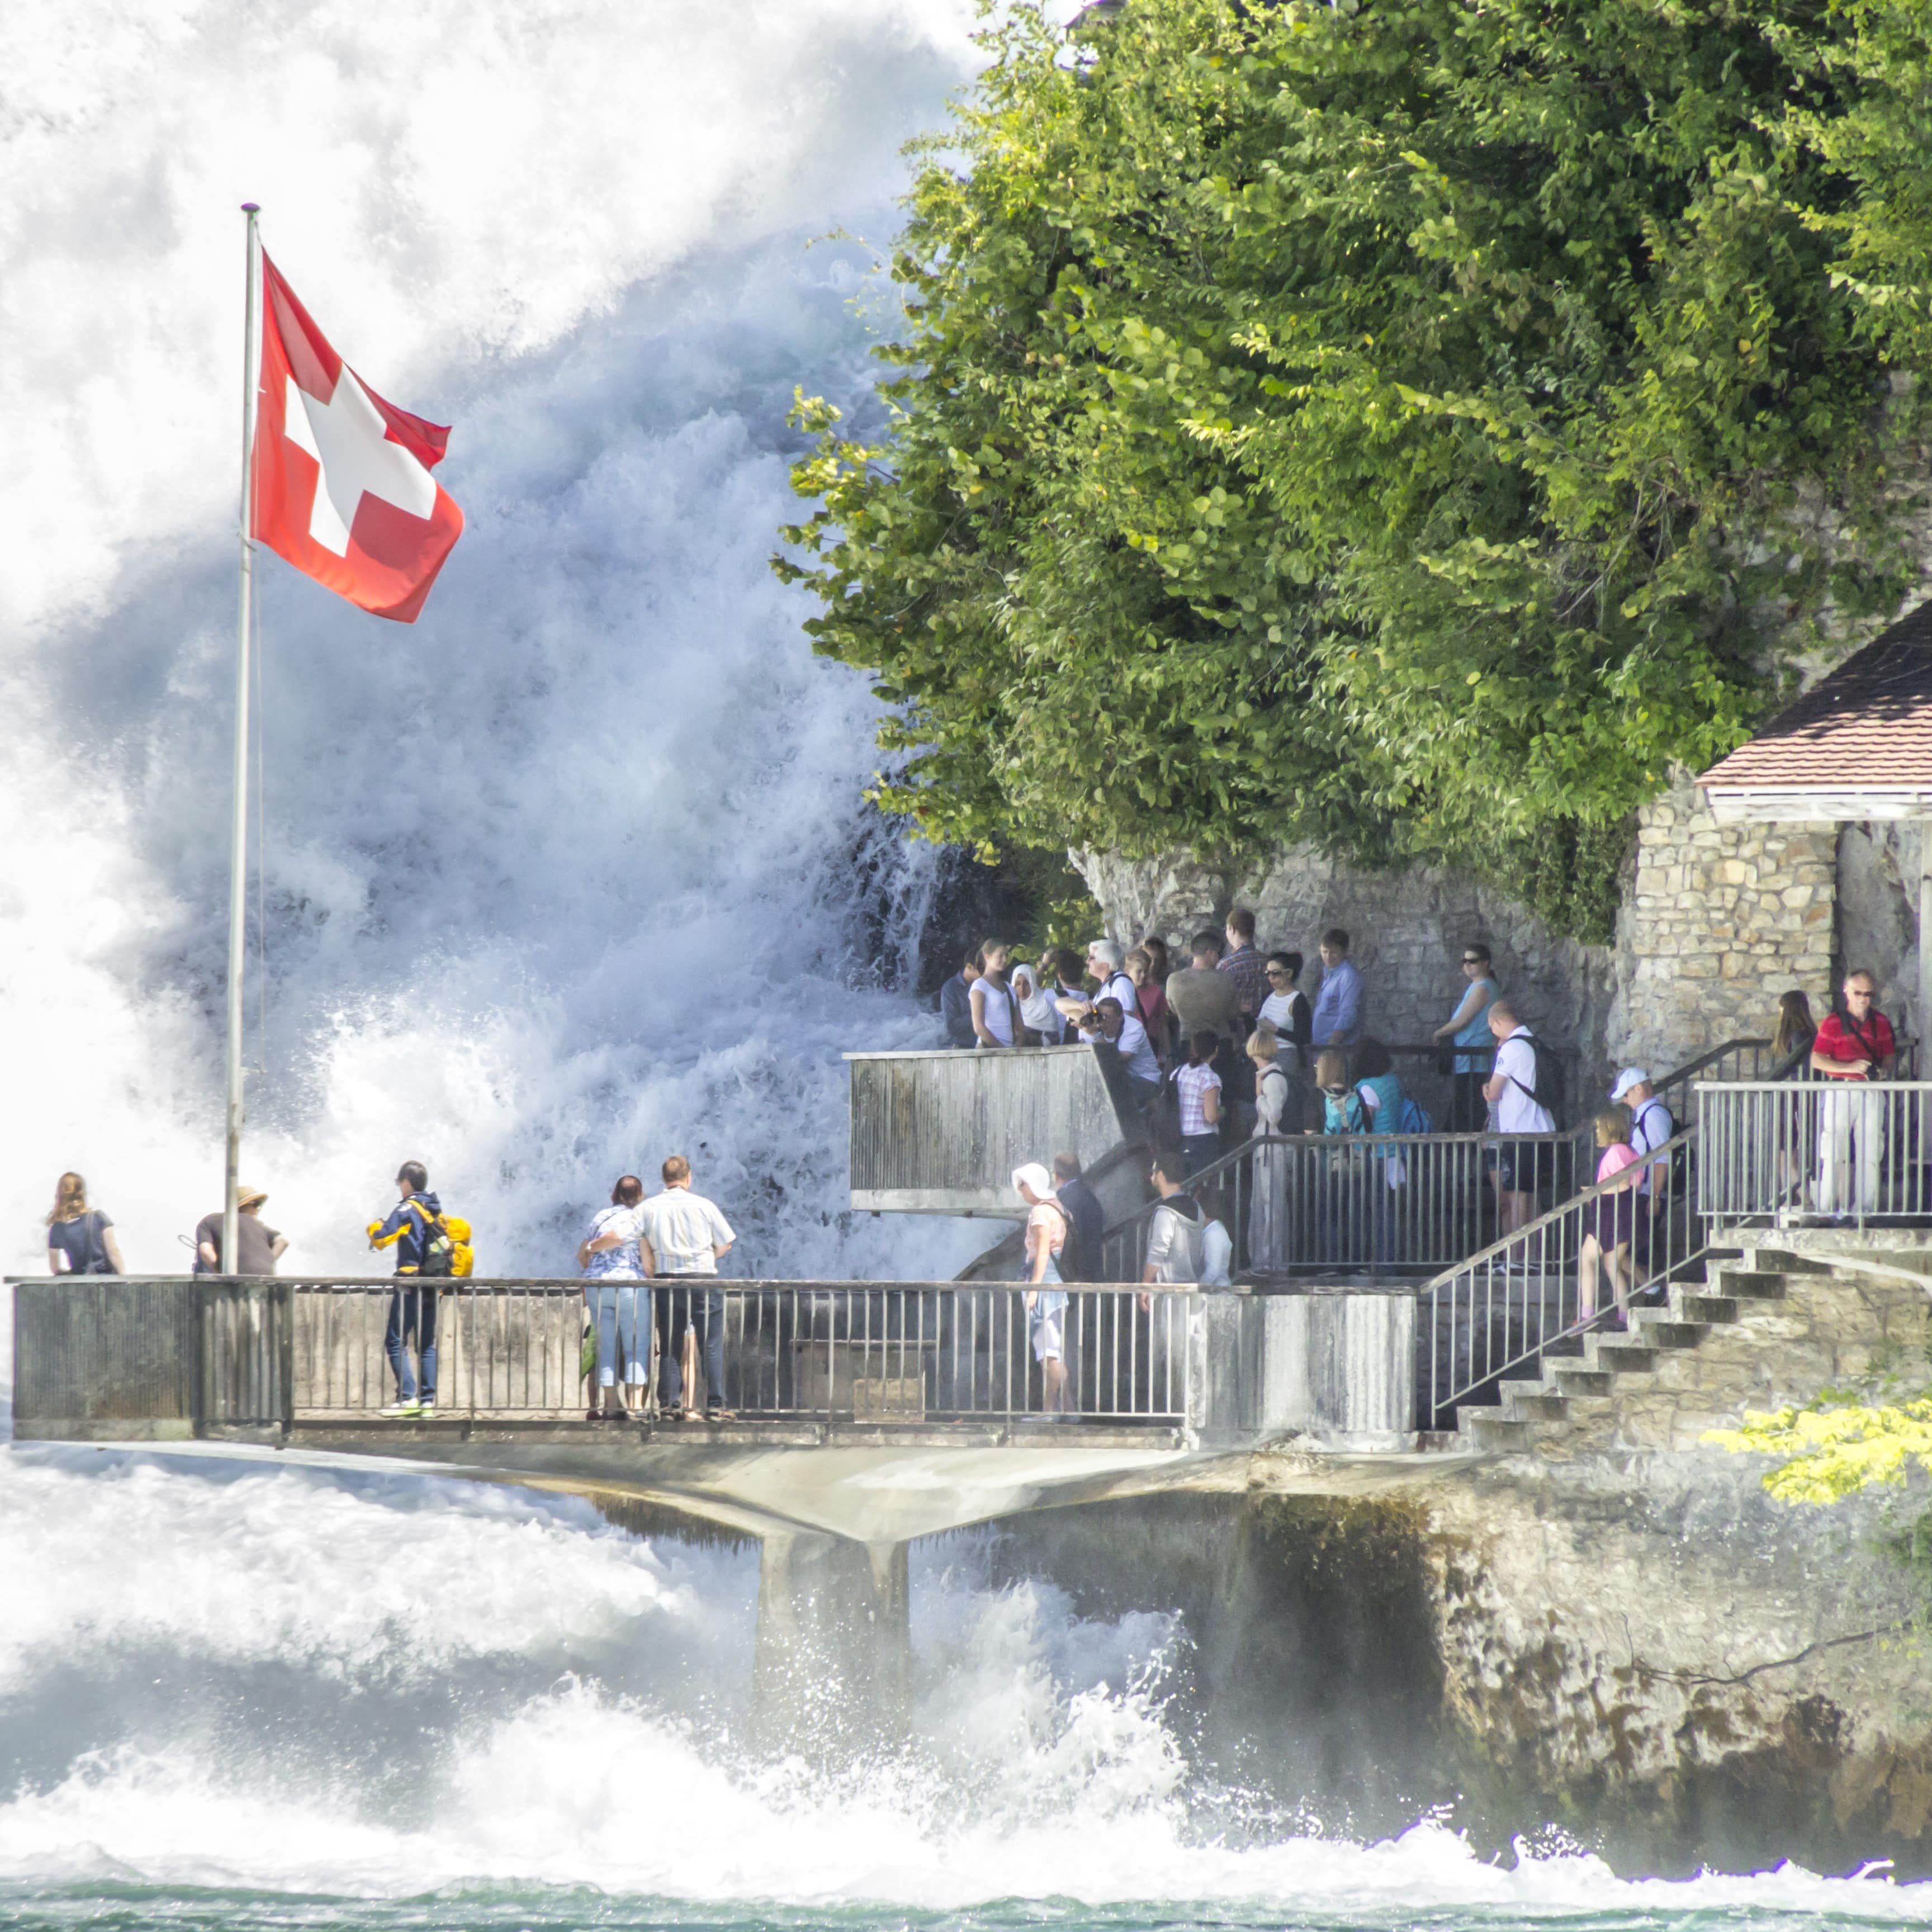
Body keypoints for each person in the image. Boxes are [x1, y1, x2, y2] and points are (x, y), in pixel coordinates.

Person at [641, 1154, 737, 1420]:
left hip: (668, 1281)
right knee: (711, 1344)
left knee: (671, 1345)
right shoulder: (704, 1206)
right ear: (689, 1177)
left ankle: (670, 1405)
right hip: (702, 1279)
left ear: (664, 1179)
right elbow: (726, 1242)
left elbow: (634, 1235)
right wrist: (708, 1257)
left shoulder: (650, 1207)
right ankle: (716, 1405)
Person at [1811, 970, 1896, 1219]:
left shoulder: (1881, 1022)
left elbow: (1889, 1054)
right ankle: (1825, 1211)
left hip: (1871, 1089)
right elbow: (1817, 1059)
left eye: (1868, 994)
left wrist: (1882, 1072)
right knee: (1833, 1150)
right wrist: (1849, 1068)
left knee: (1871, 1151)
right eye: (1858, 993)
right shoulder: (1832, 1022)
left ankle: (1865, 1213)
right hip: (1841, 1087)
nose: (1863, 999)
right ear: (1846, 991)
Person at [367, 1161, 443, 1418]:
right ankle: (427, 1403)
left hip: (410, 1284)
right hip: (432, 1284)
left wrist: (375, 1228)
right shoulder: (434, 1209)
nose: (399, 1187)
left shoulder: (408, 1208)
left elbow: (382, 1235)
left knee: (395, 1340)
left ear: (407, 1182)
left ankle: (408, 1398)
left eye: (399, 1182)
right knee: (426, 1344)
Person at [578, 1174, 650, 1420]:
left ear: (616, 1195)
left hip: (598, 1286)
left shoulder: (600, 1217)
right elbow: (646, 1257)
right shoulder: (640, 1218)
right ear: (640, 1195)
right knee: (635, 1346)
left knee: (606, 1346)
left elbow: (583, 1254)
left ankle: (610, 1406)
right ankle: (635, 1406)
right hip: (629, 1286)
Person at [1483, 1001, 1555, 1238]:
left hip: (1521, 1131)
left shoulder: (1511, 1048)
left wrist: (1486, 1088)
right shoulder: (1534, 1043)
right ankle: (1532, 1259)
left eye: (1491, 1027)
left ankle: (1517, 1259)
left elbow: (1493, 1093)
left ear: (1498, 1022)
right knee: (1532, 1194)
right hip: (1542, 1128)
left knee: (1518, 1195)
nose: (1493, 1032)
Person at [1015, 1163, 1073, 1414]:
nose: (1020, 1190)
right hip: (1057, 1282)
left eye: (1023, 1184)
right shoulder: (1058, 1208)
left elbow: (1042, 1252)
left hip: (1043, 1281)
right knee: (1054, 1349)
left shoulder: (1040, 1212)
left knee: (1048, 1352)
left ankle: (1049, 1411)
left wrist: (1034, 1290)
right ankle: (1069, 1410)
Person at [1578, 1107, 1642, 1325]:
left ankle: (1591, 1315)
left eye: (1598, 1129)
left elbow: (1622, 1185)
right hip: (1616, 1211)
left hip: (1611, 1211)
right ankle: (1619, 1316)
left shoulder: (1617, 1152)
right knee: (1606, 1264)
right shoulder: (1629, 1151)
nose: (1597, 1133)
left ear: (1609, 1128)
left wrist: (1594, 1192)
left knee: (1597, 1262)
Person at [1433, 944, 1500, 1130]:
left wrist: (1439, 1033)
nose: (1467, 965)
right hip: (1470, 1057)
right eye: (1465, 961)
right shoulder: (1478, 986)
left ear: (1486, 963)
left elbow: (1462, 1020)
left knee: (1468, 1107)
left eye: (1473, 961)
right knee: (1467, 1106)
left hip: (1475, 1058)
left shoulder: (1483, 987)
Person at [1247, 1030, 1292, 1271]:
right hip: (1266, 1146)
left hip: (1271, 1146)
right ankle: (1264, 1259)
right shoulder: (1269, 1076)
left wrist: (1258, 1099)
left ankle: (1271, 1261)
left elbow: (1274, 1115)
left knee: (1271, 1204)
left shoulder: (1272, 1079)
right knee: (1263, 1204)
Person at [1610, 1068, 1674, 1222]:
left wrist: (1655, 1197)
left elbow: (1662, 1158)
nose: (1625, 1100)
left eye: (1626, 1094)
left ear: (1638, 1088)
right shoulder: (1647, 1114)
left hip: (1647, 1194)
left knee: (1643, 1243)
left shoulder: (1653, 1115)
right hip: (1643, 1192)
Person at [1080, 995, 1162, 1112]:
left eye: (1106, 1017)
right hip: (1120, 1078)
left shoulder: (1134, 1029)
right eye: (1099, 1016)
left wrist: (1097, 1036)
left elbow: (1120, 1059)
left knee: (1118, 1101)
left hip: (1144, 1078)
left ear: (1119, 1017)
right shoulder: (1095, 1025)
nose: (1101, 1020)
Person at [1165, 930, 1240, 1049]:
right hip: (1220, 1042)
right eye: (1218, 953)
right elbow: (1233, 1012)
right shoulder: (1226, 979)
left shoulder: (1173, 980)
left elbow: (1173, 1010)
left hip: (1189, 1042)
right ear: (1210, 953)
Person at [1142, 1150, 1205, 1287]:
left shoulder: (1166, 1212)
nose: (1151, 1177)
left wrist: (1146, 1284)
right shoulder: (1198, 1208)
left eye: (1153, 1172)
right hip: (1194, 1292)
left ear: (1160, 1175)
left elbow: (1158, 1251)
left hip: (1169, 1295)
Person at [194, 1185, 287, 1275]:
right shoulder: (259, 1226)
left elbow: (206, 1252)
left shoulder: (209, 1221)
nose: (259, 1208)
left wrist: (219, 1273)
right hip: (267, 1278)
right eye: (256, 1204)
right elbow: (283, 1242)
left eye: (260, 1204)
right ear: (241, 1206)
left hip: (234, 1281)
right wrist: (268, 1262)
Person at [45, 1173, 124, 1276]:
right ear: (81, 1193)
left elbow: (55, 1268)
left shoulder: (57, 1229)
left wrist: (70, 1275)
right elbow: (114, 1253)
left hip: (80, 1285)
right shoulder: (98, 1218)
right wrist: (124, 1278)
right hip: (106, 1281)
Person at [1176, 1028, 1224, 1177]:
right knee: (1203, 1189)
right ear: (1216, 1050)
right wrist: (1223, 1111)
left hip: (1180, 1137)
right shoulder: (1210, 1077)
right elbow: (1210, 1117)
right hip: (1203, 1140)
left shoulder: (1179, 1072)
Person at [1053, 1151, 1106, 1283]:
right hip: (1091, 1271)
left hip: (1074, 1274)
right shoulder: (1089, 1195)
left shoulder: (1064, 1200)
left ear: (1056, 1176)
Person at [1310, 929, 1365, 1048]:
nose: (1328, 957)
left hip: (1337, 1049)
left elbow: (1348, 1015)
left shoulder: (1348, 976)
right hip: (1320, 1046)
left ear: (1344, 952)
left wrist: (1332, 1046)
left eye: (1333, 952)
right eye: (1325, 952)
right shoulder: (1327, 974)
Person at [1218, 908, 1267, 1022]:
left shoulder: (1226, 965)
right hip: (1266, 1024)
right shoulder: (1267, 961)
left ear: (1232, 929)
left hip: (1238, 1026)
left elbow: (1221, 1001)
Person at [970, 939, 1020, 1049]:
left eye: (1006, 955)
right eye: (1000, 956)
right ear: (987, 957)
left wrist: (1017, 1047)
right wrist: (1001, 1049)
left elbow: (1020, 1026)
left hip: (1011, 1049)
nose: (1005, 959)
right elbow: (978, 1027)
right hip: (988, 1049)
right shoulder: (979, 986)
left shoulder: (1010, 989)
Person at [1125, 946, 1173, 1061]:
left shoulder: (1156, 992)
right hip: (1128, 1044)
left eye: (1146, 971)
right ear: (1127, 972)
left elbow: (1163, 1024)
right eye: (1139, 972)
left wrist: (1168, 1054)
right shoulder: (1121, 990)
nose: (1143, 976)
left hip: (1150, 1044)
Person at [1258, 953, 1310, 1055]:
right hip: (1264, 1052)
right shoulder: (1268, 996)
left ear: (1289, 974)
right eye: (1268, 973)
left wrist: (1276, 1030)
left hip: (1286, 1053)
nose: (1271, 978)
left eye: (1276, 973)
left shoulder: (1298, 1000)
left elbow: (1304, 1038)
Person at [1011, 960, 1064, 1045]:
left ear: (1033, 984)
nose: (1022, 989)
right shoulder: (1010, 1008)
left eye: (1026, 984)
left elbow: (1054, 1040)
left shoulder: (1045, 1008)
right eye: (1018, 984)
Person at [940, 948, 981, 1049]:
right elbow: (952, 1026)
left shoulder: (985, 985)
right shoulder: (951, 988)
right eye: (982, 969)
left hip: (985, 1045)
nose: (986, 972)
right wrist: (978, 1014)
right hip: (961, 1048)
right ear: (970, 967)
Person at [1772, 988, 1816, 1070]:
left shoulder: (1798, 1035)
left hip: (1799, 1080)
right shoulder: (1809, 1032)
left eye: (1781, 1006)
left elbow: (1801, 1064)